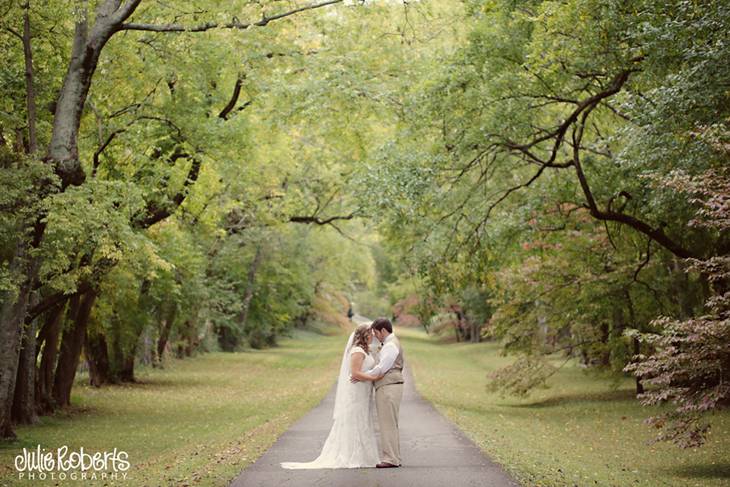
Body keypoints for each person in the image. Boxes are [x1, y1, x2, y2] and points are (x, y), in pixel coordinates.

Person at [280, 324, 383, 469]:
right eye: (370, 333)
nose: (373, 336)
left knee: (363, 419)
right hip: (357, 391)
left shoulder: (366, 350)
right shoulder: (357, 351)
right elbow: (355, 373)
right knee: (355, 418)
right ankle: (351, 454)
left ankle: (364, 455)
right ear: (364, 335)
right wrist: (375, 378)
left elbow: (365, 369)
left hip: (364, 391)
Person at [357, 317, 405, 468]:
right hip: (389, 386)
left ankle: (390, 459)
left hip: (388, 386)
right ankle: (395, 457)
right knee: (390, 422)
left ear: (383, 330)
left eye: (376, 333)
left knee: (387, 423)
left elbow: (381, 369)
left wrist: (362, 376)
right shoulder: (390, 343)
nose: (375, 336)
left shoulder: (390, 345)